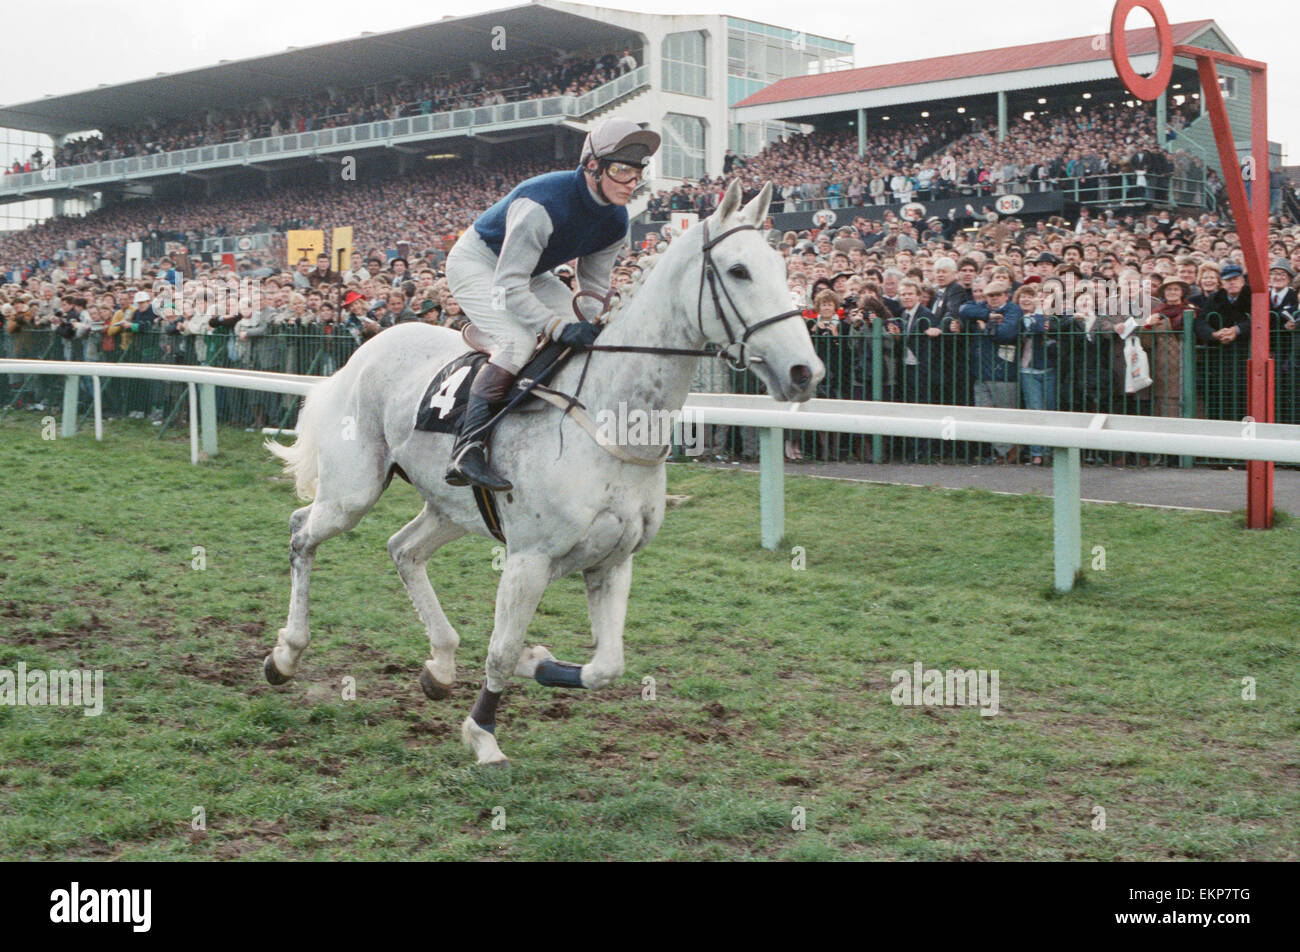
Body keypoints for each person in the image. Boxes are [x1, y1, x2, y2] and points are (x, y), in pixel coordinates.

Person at [442, 116, 660, 491]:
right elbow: (508, 285)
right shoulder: (542, 203)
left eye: (637, 171)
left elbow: (593, 285)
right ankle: (468, 447)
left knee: (588, 336)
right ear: (592, 165)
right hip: (480, 264)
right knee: (518, 341)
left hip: (531, 271)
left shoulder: (617, 220)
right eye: (622, 170)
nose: (632, 182)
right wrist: (559, 327)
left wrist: (596, 322)